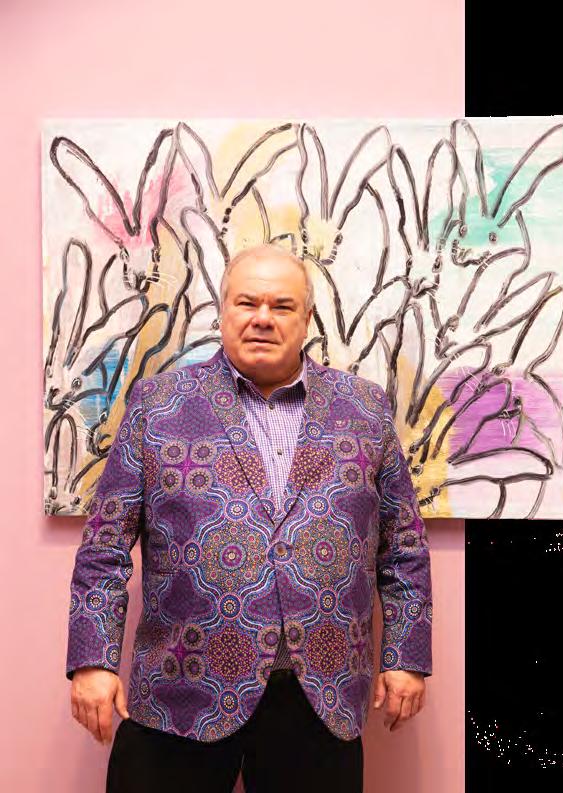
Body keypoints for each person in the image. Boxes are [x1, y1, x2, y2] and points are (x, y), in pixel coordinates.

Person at [67, 243, 433, 793]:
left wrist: (406, 657)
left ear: (307, 319)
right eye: (247, 303)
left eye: (282, 305)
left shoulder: (365, 407)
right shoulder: (157, 403)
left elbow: (403, 549)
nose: (263, 318)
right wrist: (92, 661)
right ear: (223, 311)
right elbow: (104, 549)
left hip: (321, 699)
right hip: (179, 689)